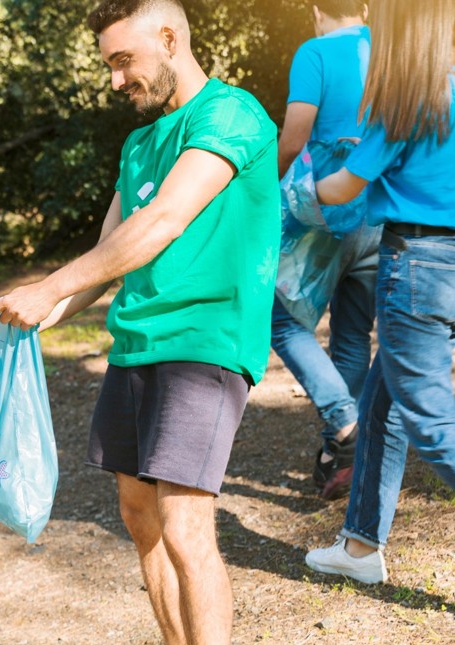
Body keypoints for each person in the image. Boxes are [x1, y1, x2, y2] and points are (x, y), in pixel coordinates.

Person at [0, 1, 279, 642]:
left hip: (204, 343)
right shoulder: (139, 143)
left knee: (184, 525)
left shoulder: (229, 114)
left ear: (170, 39)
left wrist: (48, 287)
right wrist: (22, 316)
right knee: (140, 516)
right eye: (109, 66)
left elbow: (163, 221)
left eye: (124, 61)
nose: (116, 80)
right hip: (136, 343)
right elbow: (107, 257)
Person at [304, 0, 455, 584]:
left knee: (430, 419)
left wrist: (304, 183)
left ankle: (361, 545)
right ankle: (361, 546)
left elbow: (343, 188)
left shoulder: (406, 100)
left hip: (417, 266)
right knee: (380, 403)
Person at [272, 0, 379, 500]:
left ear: (316, 10)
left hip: (325, 209)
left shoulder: (314, 53)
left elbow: (294, 139)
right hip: (380, 209)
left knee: (277, 317)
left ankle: (344, 421)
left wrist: (261, 189)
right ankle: (339, 456)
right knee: (353, 334)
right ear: (364, 6)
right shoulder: (388, 50)